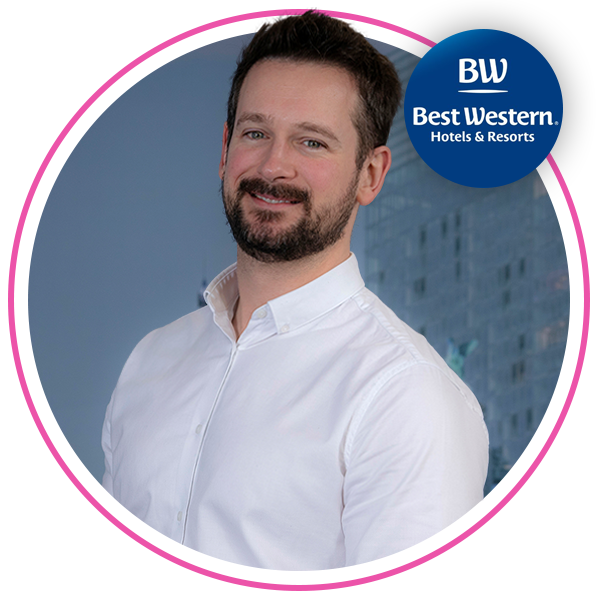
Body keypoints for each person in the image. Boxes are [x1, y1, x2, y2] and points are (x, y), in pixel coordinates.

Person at [66, 11, 488, 574]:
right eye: (256, 132)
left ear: (371, 175)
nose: (273, 165)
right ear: (224, 148)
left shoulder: (407, 396)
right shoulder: (155, 359)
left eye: (312, 142)